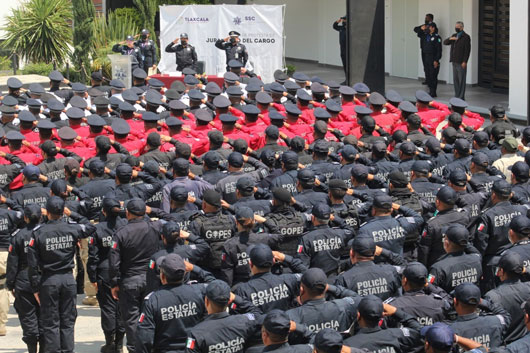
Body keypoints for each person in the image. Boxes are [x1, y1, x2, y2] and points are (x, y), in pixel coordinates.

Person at [27, 196, 96, 353]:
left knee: (51, 323)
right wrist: (71, 213)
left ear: (47, 212)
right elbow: (90, 226)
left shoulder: (38, 233)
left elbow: (32, 265)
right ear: (62, 212)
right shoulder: (72, 228)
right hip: (67, 280)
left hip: (49, 280)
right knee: (67, 321)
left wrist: (35, 287)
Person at [108, 198, 168, 353]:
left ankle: (136, 349)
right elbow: (172, 219)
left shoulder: (120, 233)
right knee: (150, 318)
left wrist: (114, 283)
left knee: (131, 320)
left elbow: (114, 262)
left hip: (130, 281)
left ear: (127, 213)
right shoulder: (155, 227)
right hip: (151, 280)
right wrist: (153, 210)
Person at [136, 254, 215, 353]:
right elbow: (219, 287)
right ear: (185, 273)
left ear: (162, 276)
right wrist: (195, 268)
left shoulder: (153, 300)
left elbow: (144, 338)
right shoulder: (198, 291)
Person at [184, 280, 261, 353]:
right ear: (229, 301)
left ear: (206, 301)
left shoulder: (196, 333)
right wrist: (236, 298)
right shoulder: (243, 322)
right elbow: (257, 314)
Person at [343, 295, 422, 352]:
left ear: (358, 315)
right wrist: (396, 312)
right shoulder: (397, 335)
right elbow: (419, 331)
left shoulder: (348, 346)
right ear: (382, 315)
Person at [443, 21, 471, 100]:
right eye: (456, 26)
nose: (456, 28)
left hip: (461, 62)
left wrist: (465, 61)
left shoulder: (466, 37)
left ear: (462, 27)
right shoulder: (454, 35)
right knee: (456, 79)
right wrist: (450, 38)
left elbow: (467, 50)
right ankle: (457, 95)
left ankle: (461, 96)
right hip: (454, 61)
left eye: (458, 27)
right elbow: (445, 42)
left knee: (461, 79)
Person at [414, 13, 436, 86]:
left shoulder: (433, 25)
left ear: (431, 19)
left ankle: (431, 80)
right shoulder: (424, 25)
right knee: (425, 65)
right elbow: (415, 29)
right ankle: (427, 79)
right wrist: (421, 29)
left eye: (427, 18)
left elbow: (429, 32)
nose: (425, 19)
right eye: (425, 17)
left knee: (430, 65)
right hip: (423, 48)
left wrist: (424, 30)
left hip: (430, 50)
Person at [421, 23, 442, 97]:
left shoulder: (437, 37)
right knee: (428, 74)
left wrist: (436, 60)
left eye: (429, 27)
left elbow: (439, 50)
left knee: (433, 75)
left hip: (433, 58)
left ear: (433, 28)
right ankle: (430, 90)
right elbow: (418, 34)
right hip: (426, 57)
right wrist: (422, 29)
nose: (427, 28)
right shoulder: (426, 36)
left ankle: (433, 92)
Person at [332, 15, 348, 82]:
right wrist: (337, 21)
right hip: (343, 51)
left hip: (348, 51)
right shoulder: (341, 28)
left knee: (349, 66)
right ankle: (346, 79)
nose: (343, 20)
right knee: (345, 65)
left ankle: (350, 79)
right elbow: (334, 26)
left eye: (345, 19)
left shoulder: (350, 29)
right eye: (343, 19)